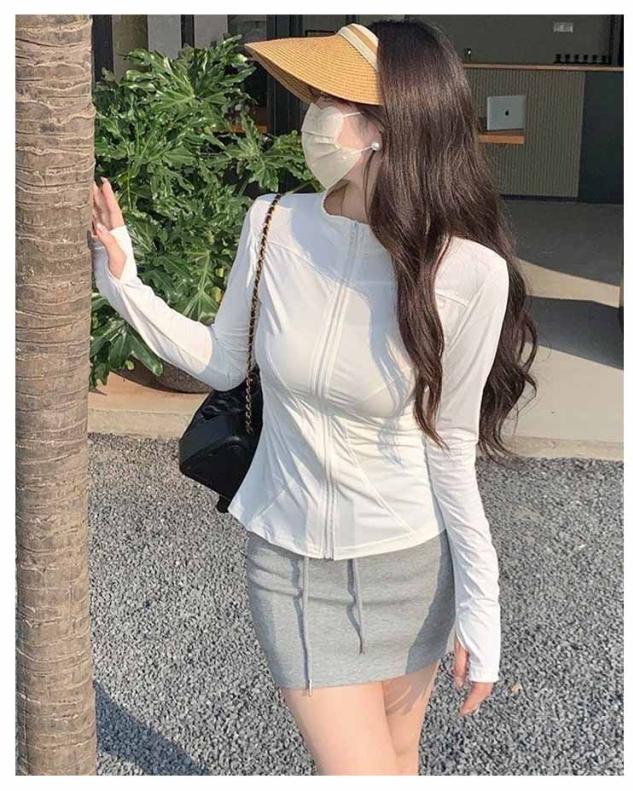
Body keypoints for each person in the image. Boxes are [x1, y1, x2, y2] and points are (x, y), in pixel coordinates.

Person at [91, 19, 537, 776]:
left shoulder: (470, 273)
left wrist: (480, 607)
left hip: (410, 567)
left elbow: (452, 447)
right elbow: (224, 362)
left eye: (332, 101)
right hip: (292, 567)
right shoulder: (274, 223)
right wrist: (124, 284)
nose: (313, 118)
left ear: (390, 127)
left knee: (400, 757)